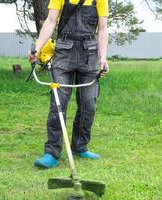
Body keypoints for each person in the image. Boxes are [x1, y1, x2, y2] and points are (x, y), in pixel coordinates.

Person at [29, 0, 109, 169]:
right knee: (58, 103)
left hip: (90, 55)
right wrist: (36, 48)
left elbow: (102, 29)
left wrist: (103, 58)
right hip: (64, 53)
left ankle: (80, 146)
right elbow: (51, 21)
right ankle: (52, 152)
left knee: (89, 104)